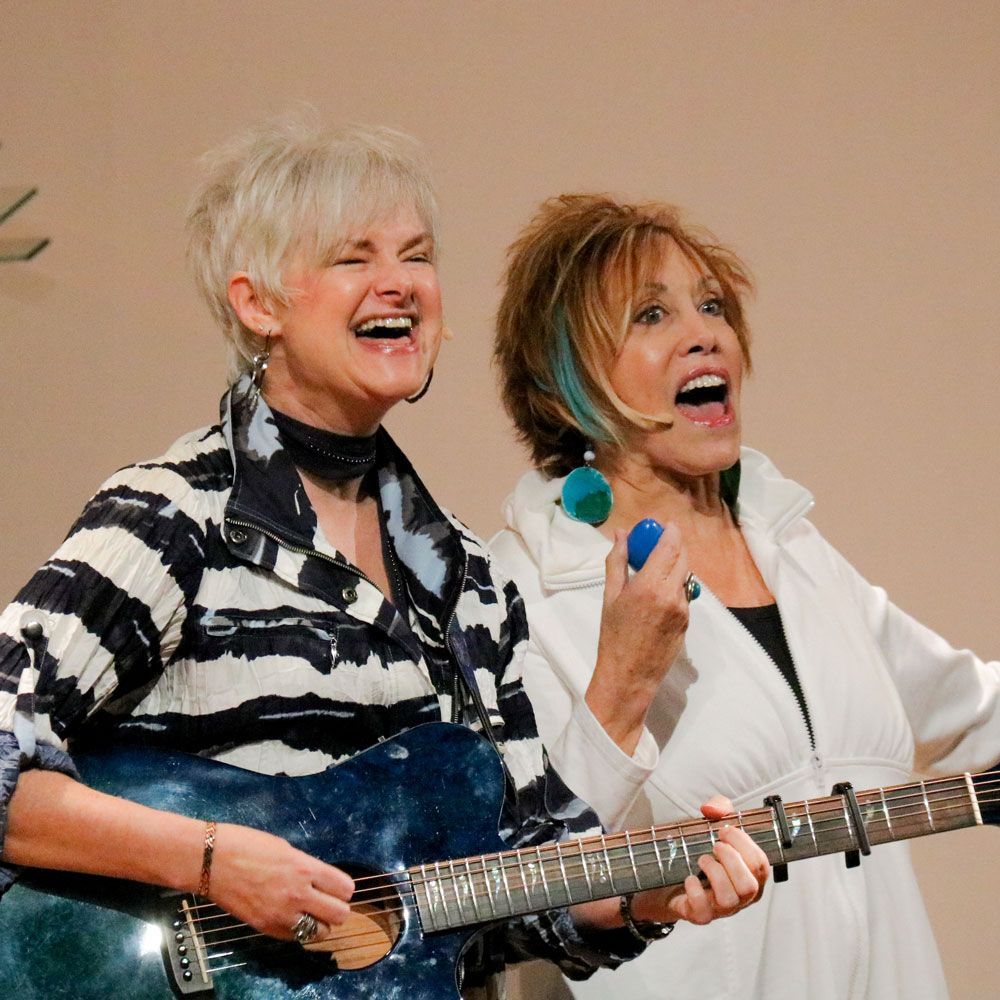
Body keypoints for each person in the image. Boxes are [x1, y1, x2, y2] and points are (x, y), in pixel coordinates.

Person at [0, 123, 767, 999]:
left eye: (417, 255)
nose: (398, 283)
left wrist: (644, 897)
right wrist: (213, 862)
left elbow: (503, 889)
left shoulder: (465, 580)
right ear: (259, 305)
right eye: (353, 258)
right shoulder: (174, 513)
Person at [489, 193, 1000, 1000]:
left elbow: (972, 711)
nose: (705, 333)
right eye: (650, 314)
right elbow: (526, 880)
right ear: (563, 387)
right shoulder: (522, 595)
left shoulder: (791, 544)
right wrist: (619, 679)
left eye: (712, 305)